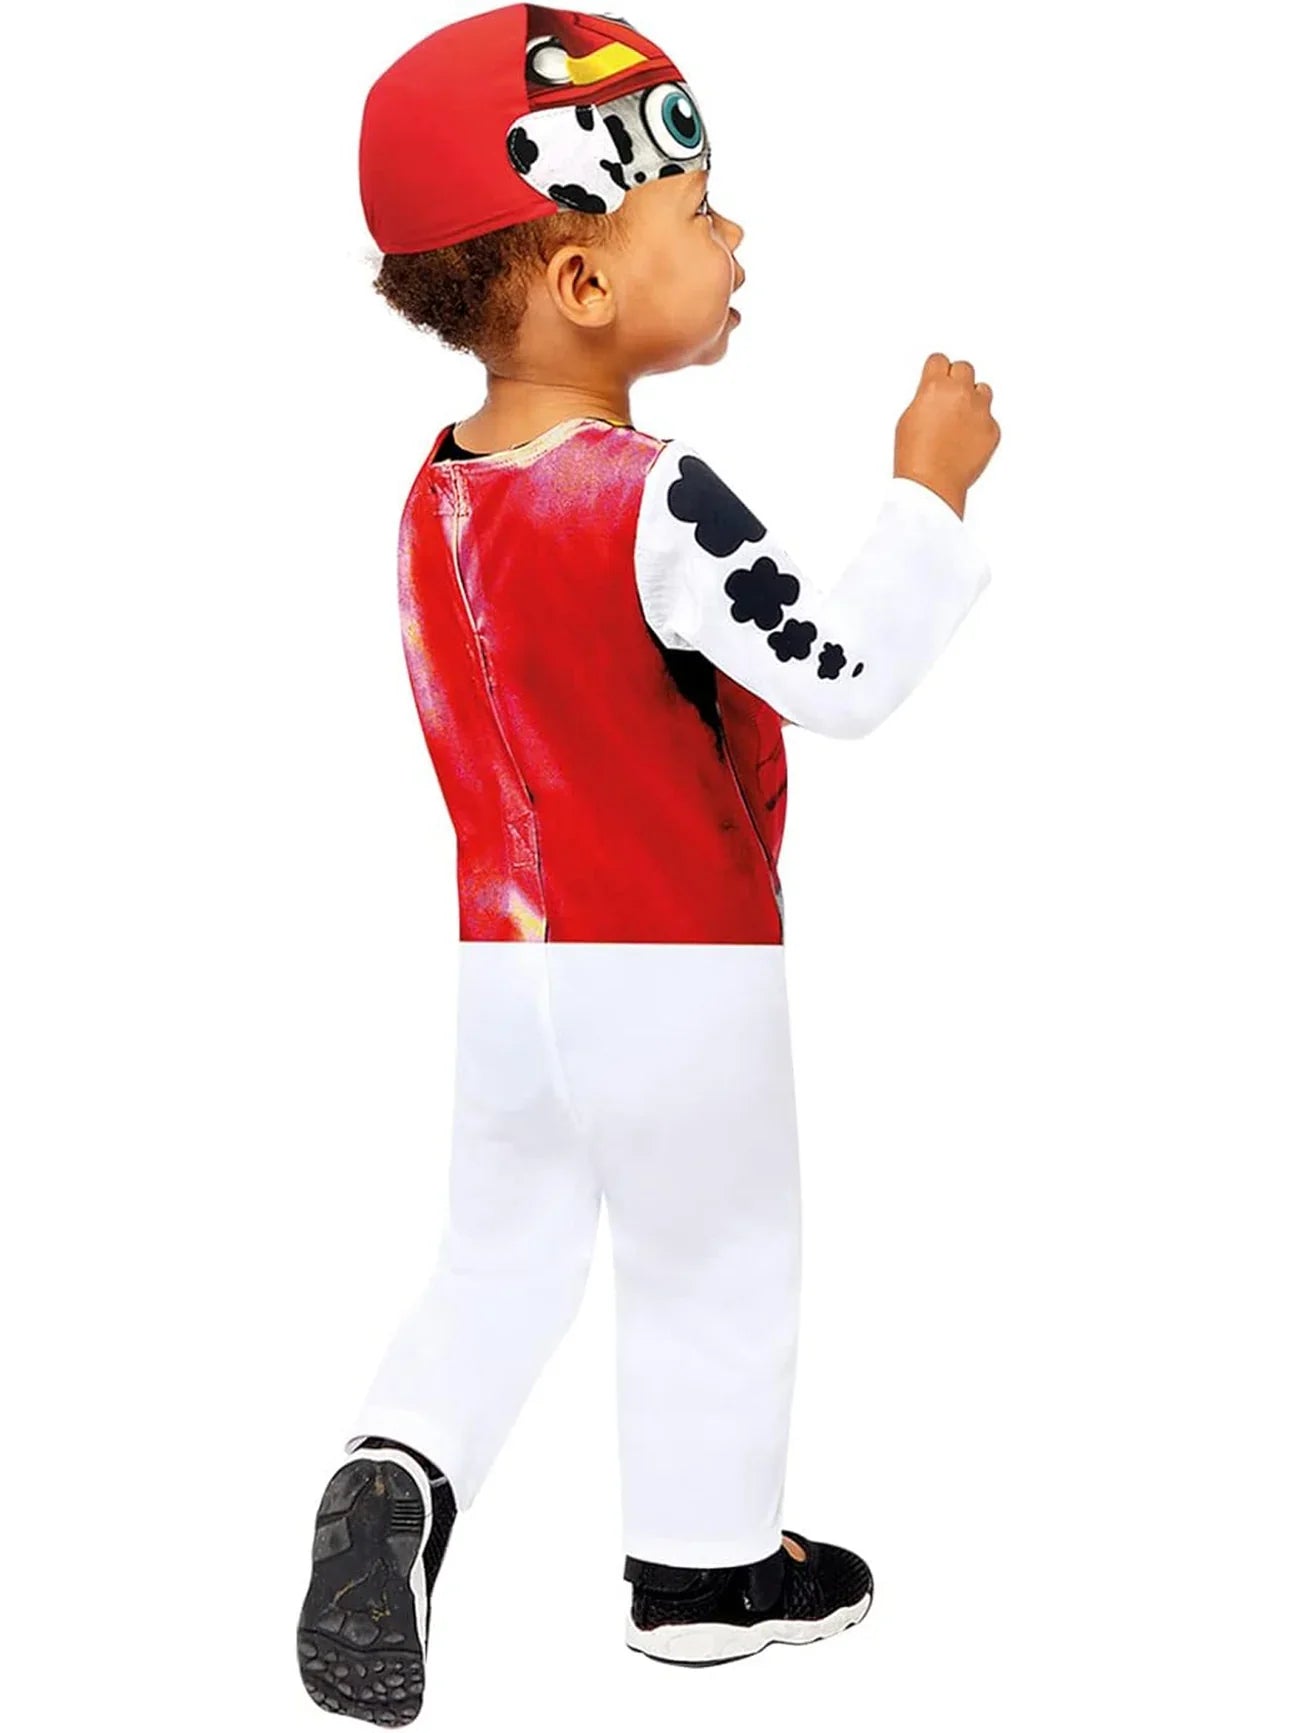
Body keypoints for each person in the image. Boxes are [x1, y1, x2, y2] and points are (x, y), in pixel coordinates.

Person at [297, 4, 1000, 1715]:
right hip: (678, 964)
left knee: (500, 1254)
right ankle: (704, 1571)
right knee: (717, 1257)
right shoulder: (652, 493)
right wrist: (926, 495)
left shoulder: (432, 497)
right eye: (696, 209)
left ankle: (397, 1466)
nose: (734, 234)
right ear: (583, 279)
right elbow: (839, 675)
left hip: (507, 973)